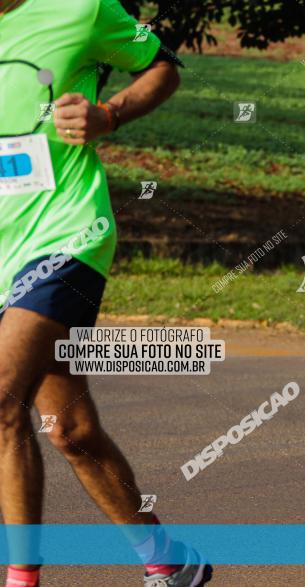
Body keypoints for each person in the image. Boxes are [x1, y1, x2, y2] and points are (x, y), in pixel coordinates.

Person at [0, 0, 210, 584]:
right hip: (1, 248)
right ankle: (167, 559)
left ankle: (21, 577)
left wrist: (108, 115)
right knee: (70, 430)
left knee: (1, 398)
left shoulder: (82, 8)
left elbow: (162, 63)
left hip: (66, 235)